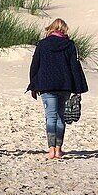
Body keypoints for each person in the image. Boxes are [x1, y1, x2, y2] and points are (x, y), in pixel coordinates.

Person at [26, 18, 88, 160]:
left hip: (47, 86)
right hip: (65, 86)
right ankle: (59, 149)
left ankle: (51, 150)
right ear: (64, 29)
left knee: (51, 117)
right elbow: (75, 67)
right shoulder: (70, 45)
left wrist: (33, 86)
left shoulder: (42, 44)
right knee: (60, 117)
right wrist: (78, 89)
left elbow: (35, 66)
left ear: (51, 28)